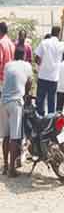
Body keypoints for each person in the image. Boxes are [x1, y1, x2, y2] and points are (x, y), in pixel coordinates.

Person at [0, 47, 32, 177]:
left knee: (6, 136)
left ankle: (6, 166)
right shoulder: (27, 65)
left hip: (3, 101)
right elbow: (29, 82)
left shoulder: (8, 65)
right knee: (15, 137)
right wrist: (26, 93)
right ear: (24, 55)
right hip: (16, 103)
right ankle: (12, 169)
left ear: (14, 55)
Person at [35, 26, 64, 116]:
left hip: (42, 76)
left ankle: (40, 119)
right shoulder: (60, 45)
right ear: (59, 34)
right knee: (51, 101)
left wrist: (41, 65)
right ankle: (50, 121)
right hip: (53, 78)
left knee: (40, 101)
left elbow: (37, 58)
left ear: (51, 32)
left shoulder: (44, 43)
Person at [0, 22, 15, 167]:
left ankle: (6, 163)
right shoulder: (11, 43)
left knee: (5, 130)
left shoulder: (1, 44)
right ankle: (13, 162)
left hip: (2, 83)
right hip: (12, 85)